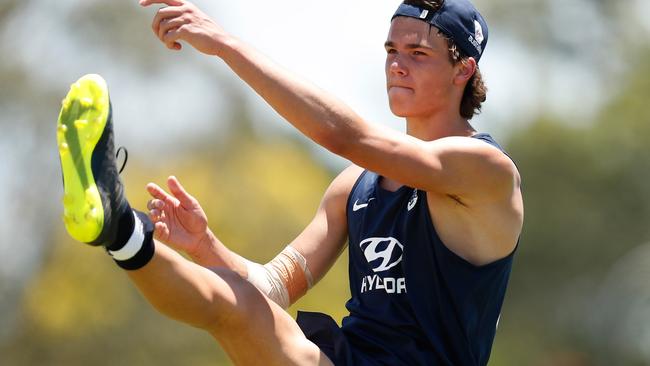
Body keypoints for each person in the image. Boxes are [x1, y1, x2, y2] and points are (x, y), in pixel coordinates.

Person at [55, 0, 524, 364]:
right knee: (237, 306)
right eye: (392, 51)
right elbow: (272, 286)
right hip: (343, 360)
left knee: (239, 307)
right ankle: (117, 227)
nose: (397, 65)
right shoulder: (355, 186)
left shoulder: (485, 172)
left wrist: (223, 43)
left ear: (464, 70)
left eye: (418, 54)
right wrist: (206, 245)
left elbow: (343, 135)